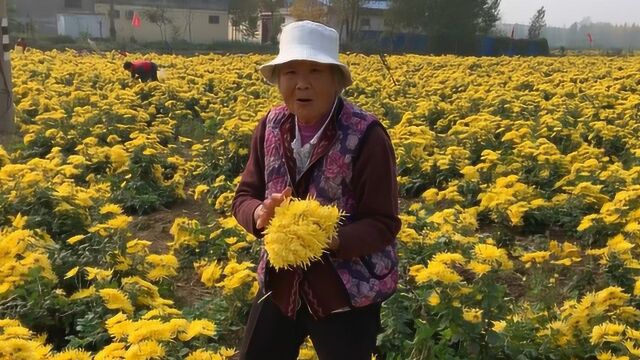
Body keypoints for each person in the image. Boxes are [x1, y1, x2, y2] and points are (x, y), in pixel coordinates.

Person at [232, 21, 401, 360]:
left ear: (337, 80)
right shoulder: (270, 126)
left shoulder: (367, 137)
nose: (302, 83)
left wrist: (333, 239)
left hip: (345, 291)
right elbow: (243, 197)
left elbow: (383, 222)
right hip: (282, 283)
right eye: (290, 71)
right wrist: (259, 213)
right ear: (278, 79)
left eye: (315, 71)